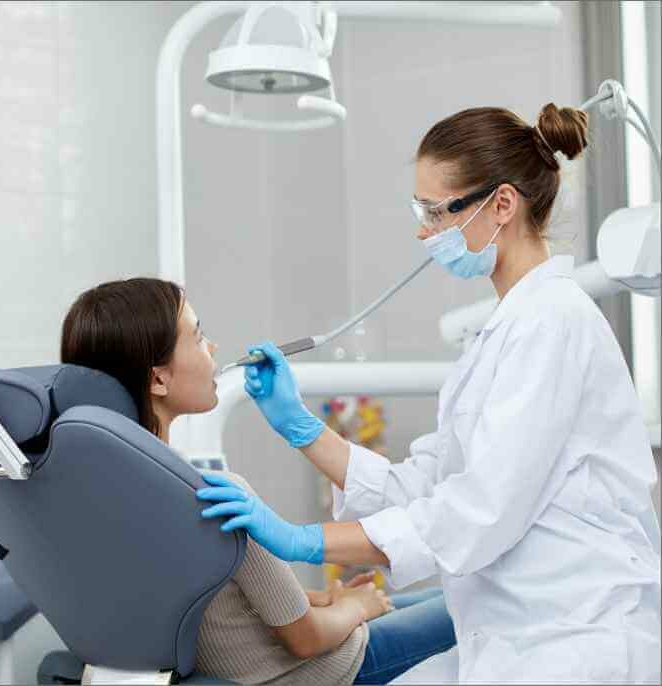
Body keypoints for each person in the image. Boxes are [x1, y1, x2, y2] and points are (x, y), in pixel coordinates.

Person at [196, 103, 662, 683]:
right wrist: (303, 431)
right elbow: (426, 484)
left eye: (436, 211)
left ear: (501, 205)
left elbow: (476, 511)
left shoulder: (552, 324)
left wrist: (302, 541)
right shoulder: (506, 330)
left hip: (574, 634)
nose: (423, 230)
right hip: (508, 634)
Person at [61, 277, 455, 685]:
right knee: (477, 602)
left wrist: (322, 598)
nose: (212, 347)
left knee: (450, 596)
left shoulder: (101, 490)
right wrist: (359, 606)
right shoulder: (212, 493)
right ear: (158, 379)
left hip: (255, 655)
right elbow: (305, 640)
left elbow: (218, 607)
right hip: (322, 670)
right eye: (198, 336)